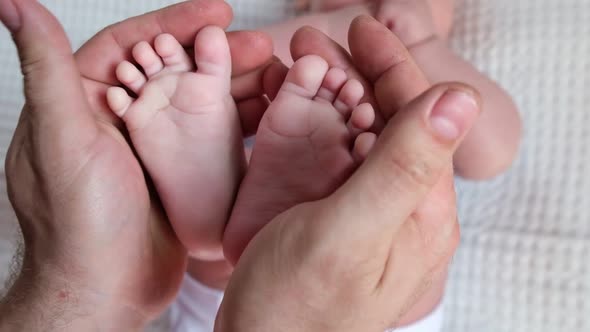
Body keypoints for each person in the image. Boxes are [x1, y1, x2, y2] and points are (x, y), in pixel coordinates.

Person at [0, 1, 479, 332]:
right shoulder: (311, 78)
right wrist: (338, 24)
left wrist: (428, 45)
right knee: (407, 251)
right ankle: (237, 220)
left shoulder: (334, 86)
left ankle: (217, 227)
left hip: (221, 307)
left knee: (395, 230)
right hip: (356, 311)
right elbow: (489, 141)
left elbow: (494, 146)